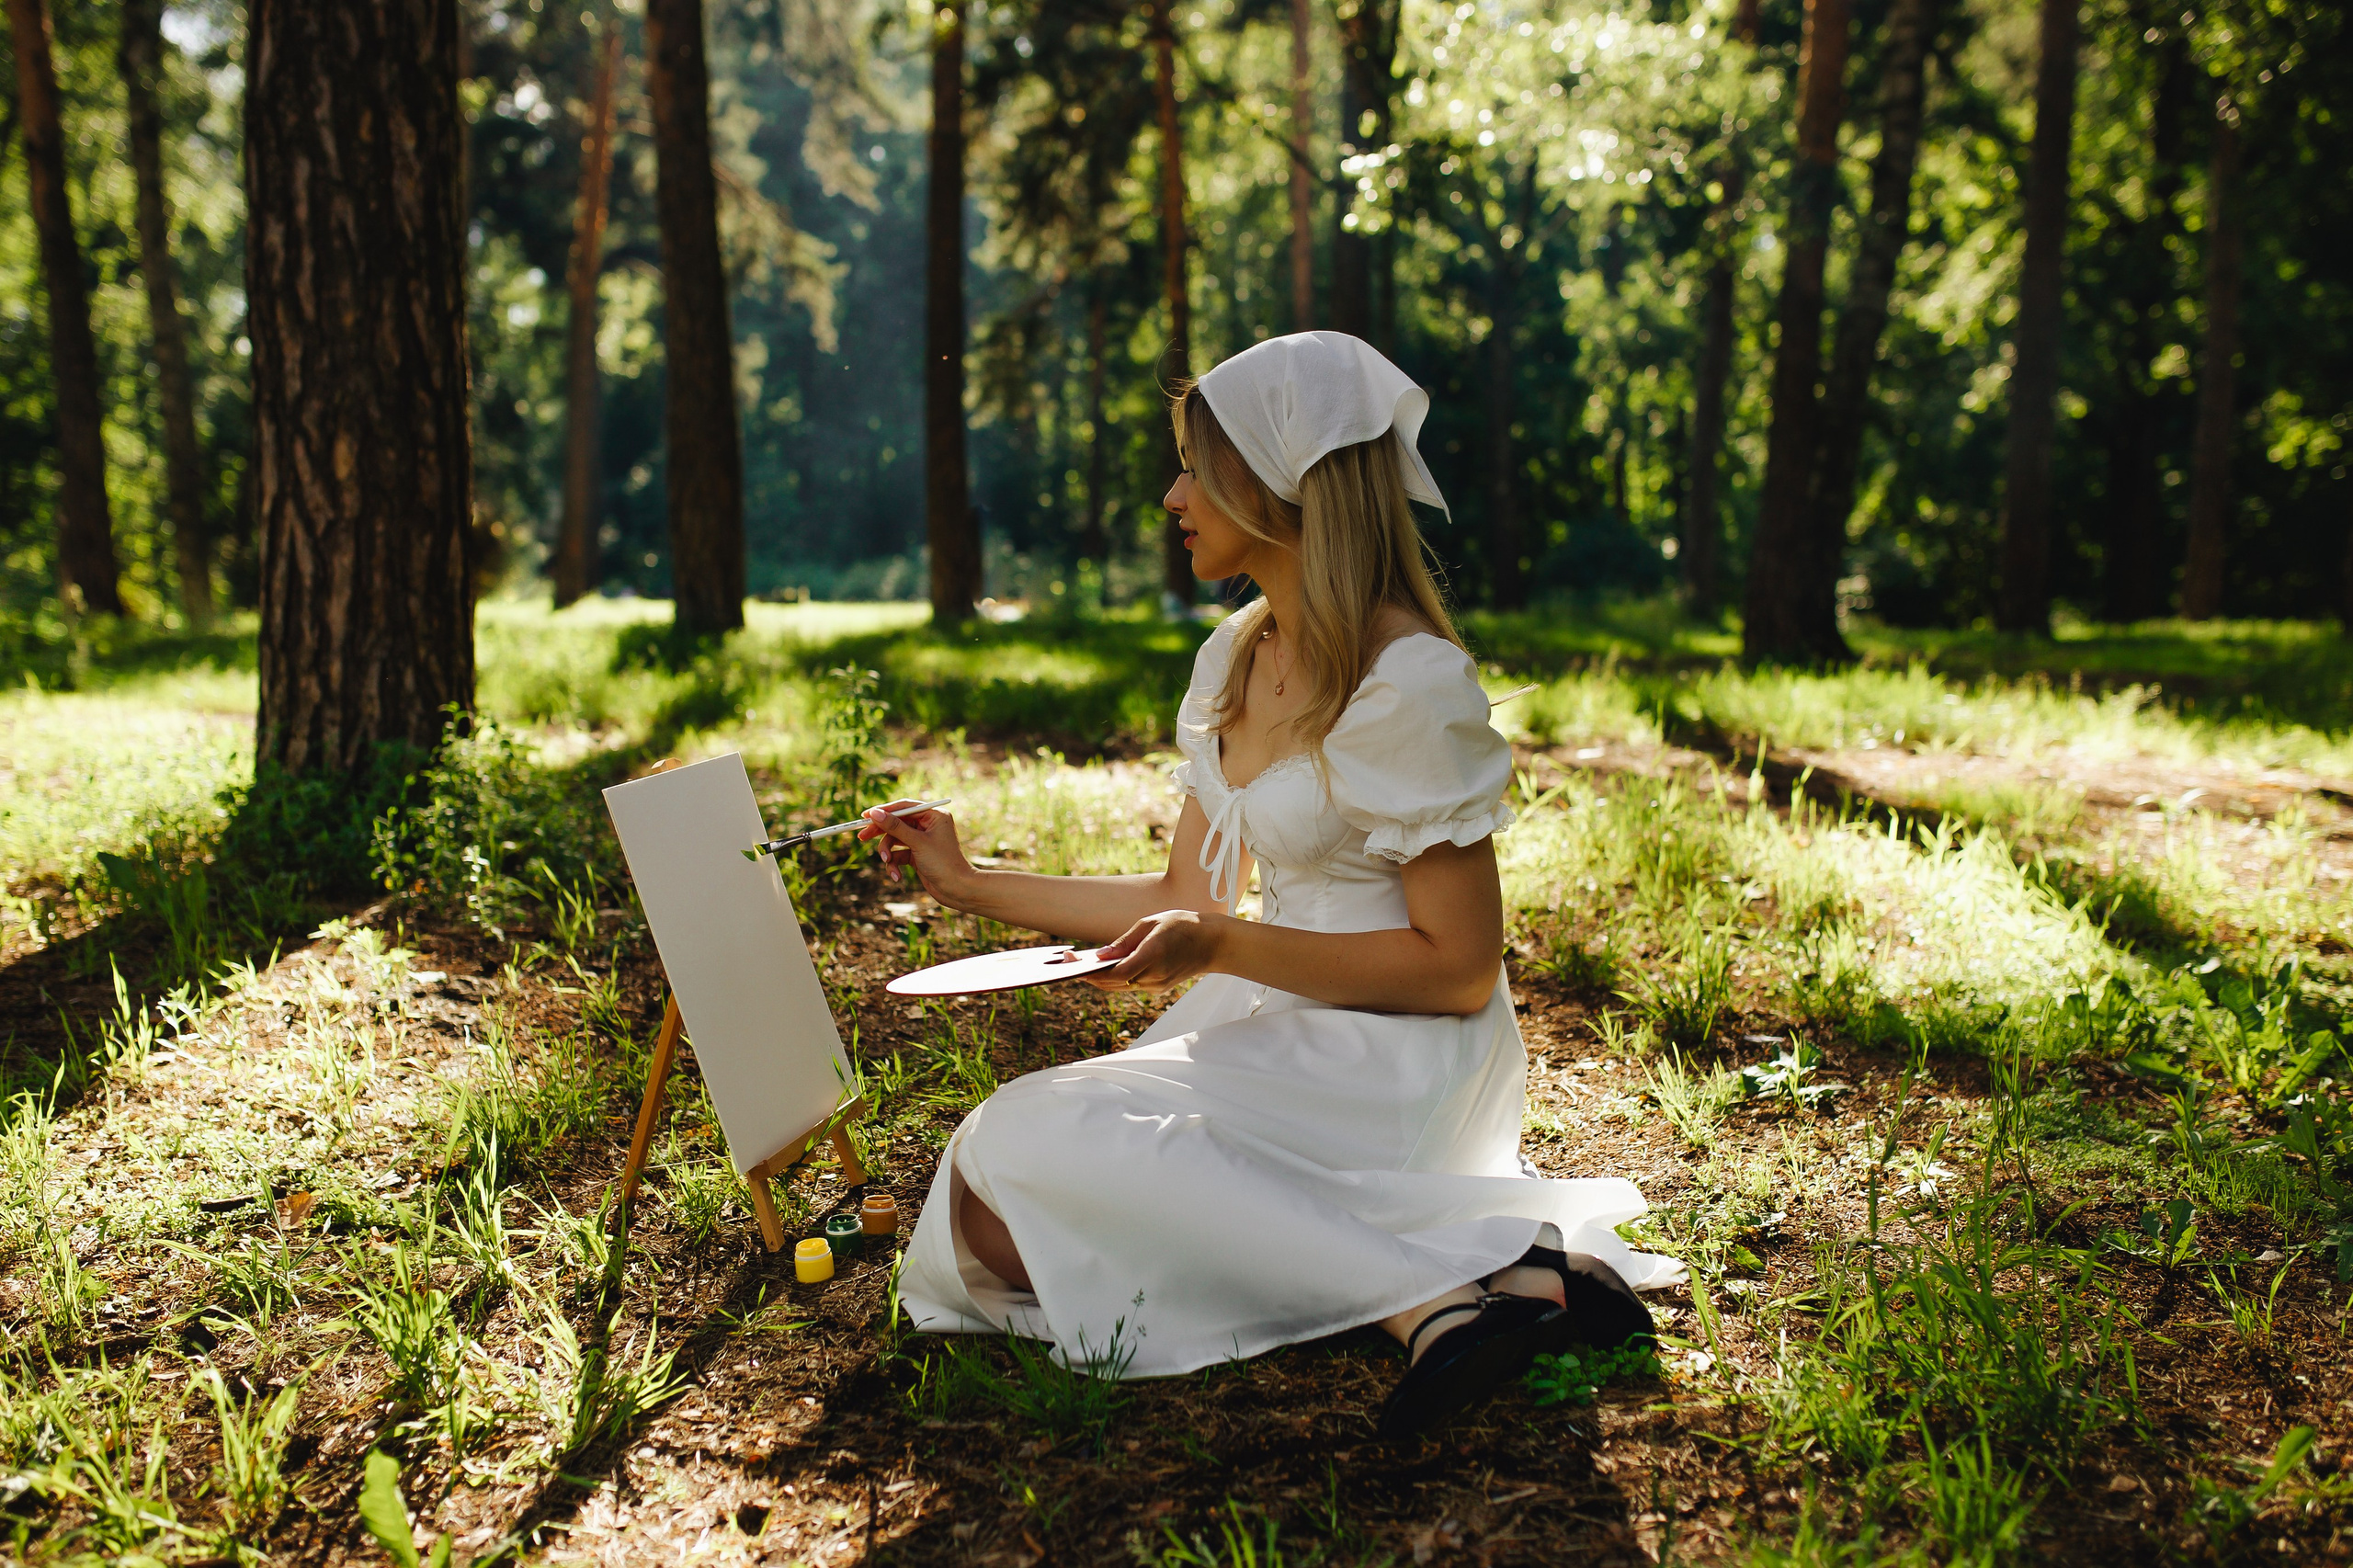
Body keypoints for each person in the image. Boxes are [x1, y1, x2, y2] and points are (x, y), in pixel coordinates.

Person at [858, 331, 1679, 1438]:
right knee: (986, 1219)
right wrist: (966, 882)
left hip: (1398, 1052)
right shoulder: (1236, 655)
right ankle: (1516, 1266)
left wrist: (1222, 946)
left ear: (1277, 481)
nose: (1171, 493)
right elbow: (1180, 891)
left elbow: (1455, 969)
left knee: (1019, 1143)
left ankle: (1430, 1304)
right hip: (1273, 1021)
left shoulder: (1407, 681)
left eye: (1197, 465)